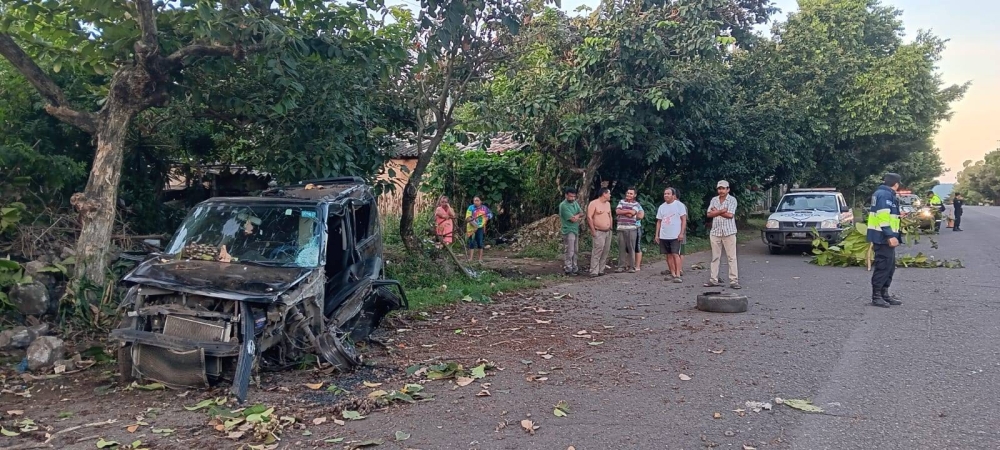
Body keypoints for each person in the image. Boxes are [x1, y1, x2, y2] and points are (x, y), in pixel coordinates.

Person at [868, 173, 904, 308]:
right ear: (896, 184)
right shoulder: (884, 195)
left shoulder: (885, 194)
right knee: (883, 267)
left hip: (883, 236)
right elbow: (883, 217)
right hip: (882, 237)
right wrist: (890, 235)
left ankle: (884, 294)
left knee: (889, 266)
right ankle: (876, 296)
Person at [705, 180, 740, 289]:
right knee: (715, 257)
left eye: (723, 188)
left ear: (728, 189)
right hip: (715, 231)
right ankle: (713, 279)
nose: (721, 190)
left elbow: (730, 215)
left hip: (729, 232)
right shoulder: (714, 200)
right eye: (719, 188)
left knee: (731, 257)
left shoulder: (732, 200)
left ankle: (734, 281)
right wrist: (722, 211)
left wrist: (717, 211)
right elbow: (709, 214)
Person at [655, 187, 687, 283]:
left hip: (675, 235)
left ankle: (678, 274)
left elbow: (683, 220)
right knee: (668, 255)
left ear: (673, 195)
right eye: (665, 194)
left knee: (675, 254)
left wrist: (681, 233)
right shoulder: (662, 207)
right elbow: (659, 221)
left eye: (668, 194)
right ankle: (672, 273)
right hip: (664, 235)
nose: (666, 195)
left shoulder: (679, 205)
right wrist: (657, 235)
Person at [615, 188, 644, 273]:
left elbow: (633, 213)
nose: (629, 195)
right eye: (628, 193)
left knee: (631, 248)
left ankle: (632, 266)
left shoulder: (637, 204)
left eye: (631, 193)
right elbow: (617, 211)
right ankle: (621, 266)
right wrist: (628, 212)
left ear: (635, 195)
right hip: (621, 228)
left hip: (632, 228)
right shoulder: (621, 201)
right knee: (621, 248)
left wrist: (623, 211)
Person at [587, 188, 613, 277]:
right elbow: (589, 217)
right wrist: (593, 230)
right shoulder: (593, 203)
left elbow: (610, 216)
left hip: (607, 231)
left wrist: (611, 227)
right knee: (597, 251)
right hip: (598, 231)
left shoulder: (608, 204)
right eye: (609, 193)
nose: (610, 195)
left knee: (605, 251)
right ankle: (594, 270)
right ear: (604, 194)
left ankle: (601, 270)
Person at [559, 188, 585, 275]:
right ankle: (568, 268)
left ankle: (574, 268)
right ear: (566, 195)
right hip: (568, 230)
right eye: (571, 196)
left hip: (575, 229)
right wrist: (577, 216)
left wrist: (576, 216)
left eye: (574, 196)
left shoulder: (575, 203)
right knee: (569, 251)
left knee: (575, 250)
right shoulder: (563, 205)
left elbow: (581, 213)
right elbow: (572, 219)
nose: (573, 198)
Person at [465, 196, 493, 263]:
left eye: (477, 200)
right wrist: (473, 222)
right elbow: (467, 218)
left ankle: (480, 259)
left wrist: (487, 218)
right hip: (471, 228)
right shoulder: (470, 208)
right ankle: (470, 258)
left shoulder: (484, 208)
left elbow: (490, 214)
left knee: (480, 243)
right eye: (474, 200)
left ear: (481, 201)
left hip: (480, 227)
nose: (476, 202)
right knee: (471, 243)